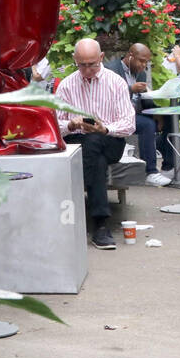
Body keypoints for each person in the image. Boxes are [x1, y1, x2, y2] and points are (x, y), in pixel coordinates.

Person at [55, 38, 136, 250]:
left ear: (101, 58)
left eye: (92, 64)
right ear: (75, 60)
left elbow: (128, 124)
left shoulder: (116, 82)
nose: (88, 70)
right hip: (79, 141)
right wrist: (71, 125)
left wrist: (105, 129)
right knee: (95, 157)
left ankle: (82, 215)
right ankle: (100, 224)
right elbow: (54, 124)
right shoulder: (67, 85)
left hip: (110, 140)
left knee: (94, 141)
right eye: (82, 64)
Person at [107, 43, 174, 185]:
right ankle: (150, 172)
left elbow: (144, 99)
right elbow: (107, 96)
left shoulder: (140, 73)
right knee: (147, 125)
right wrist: (131, 89)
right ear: (130, 56)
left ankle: (170, 167)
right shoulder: (111, 70)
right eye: (141, 61)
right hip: (116, 115)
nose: (144, 65)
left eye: (146, 62)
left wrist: (158, 114)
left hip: (136, 113)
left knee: (170, 119)